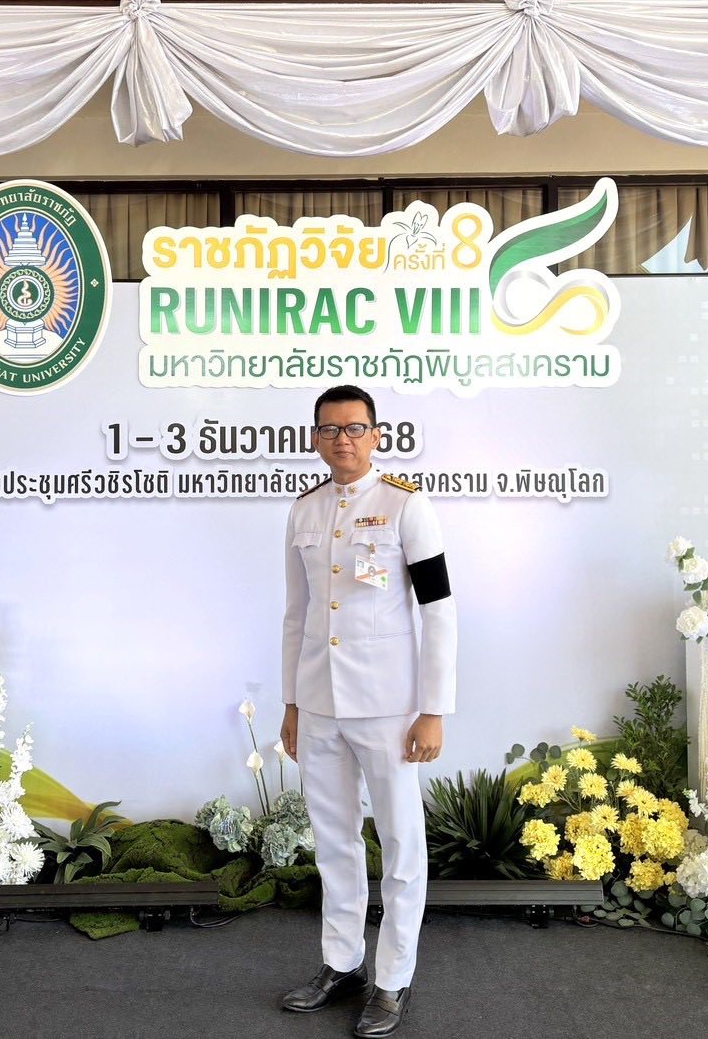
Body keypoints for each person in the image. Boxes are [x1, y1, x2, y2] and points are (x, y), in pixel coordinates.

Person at [278, 385, 457, 1038]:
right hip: (319, 704)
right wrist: (292, 703)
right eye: (329, 430)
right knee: (333, 839)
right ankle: (342, 963)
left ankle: (393, 978)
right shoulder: (304, 510)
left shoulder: (406, 505)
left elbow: (438, 611)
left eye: (354, 428)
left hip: (388, 708)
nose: (342, 440)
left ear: (377, 435)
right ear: (315, 439)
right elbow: (297, 615)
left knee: (401, 843)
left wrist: (433, 709)